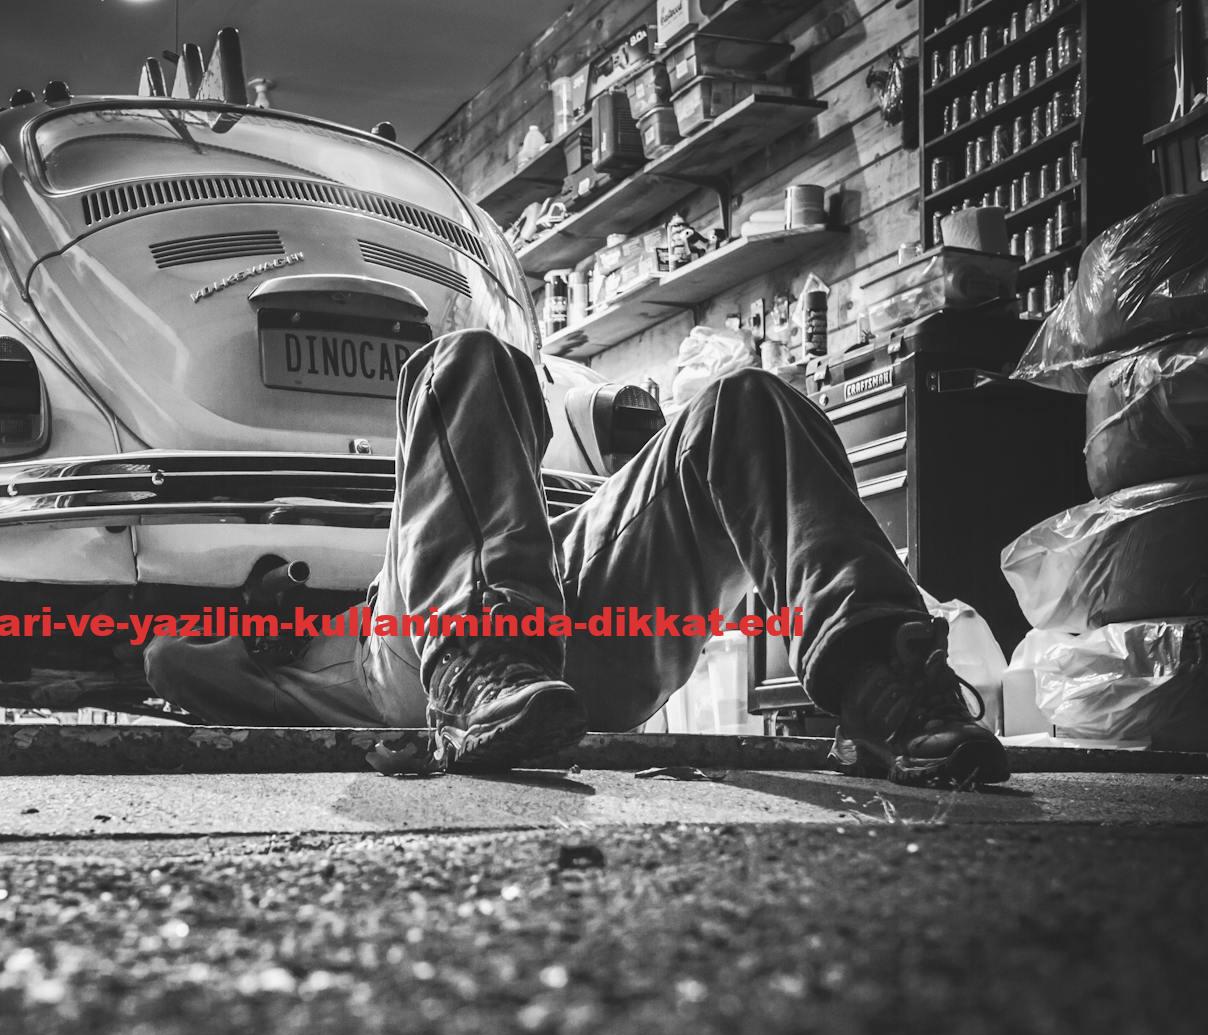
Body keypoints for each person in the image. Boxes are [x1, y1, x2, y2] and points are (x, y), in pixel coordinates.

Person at [143, 329, 1008, 789]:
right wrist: (258, 627)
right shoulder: (280, 647)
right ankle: (482, 673)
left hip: (571, 624)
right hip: (428, 661)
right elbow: (167, 659)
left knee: (747, 404)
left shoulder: (470, 475)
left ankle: (884, 683)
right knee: (466, 358)